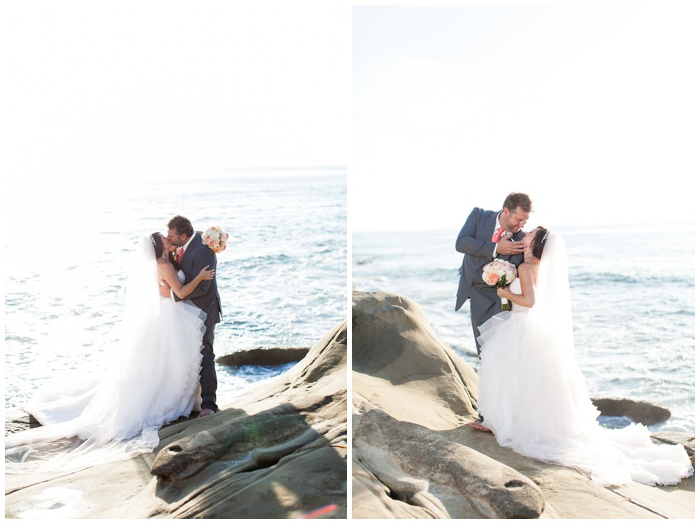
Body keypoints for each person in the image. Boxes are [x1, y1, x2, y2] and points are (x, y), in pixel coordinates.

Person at [475, 227, 694, 487]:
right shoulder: (538, 266)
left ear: (535, 244)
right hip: (533, 328)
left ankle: (506, 423)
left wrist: (504, 294)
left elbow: (529, 302)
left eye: (531, 234)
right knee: (528, 377)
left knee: (514, 374)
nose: (526, 234)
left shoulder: (524, 267)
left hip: (523, 325)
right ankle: (506, 421)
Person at [5, 233, 215, 470]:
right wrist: (200, 277)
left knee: (163, 360)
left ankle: (181, 396)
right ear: (159, 247)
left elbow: (165, 290)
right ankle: (175, 398)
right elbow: (180, 292)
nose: (169, 238)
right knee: (170, 359)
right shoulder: (164, 264)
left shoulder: (164, 261)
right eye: (165, 238)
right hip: (169, 315)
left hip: (166, 316)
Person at [455, 192, 531, 431]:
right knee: (483, 353)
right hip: (476, 295)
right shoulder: (479, 216)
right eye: (518, 219)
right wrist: (496, 248)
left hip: (501, 299)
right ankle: (488, 413)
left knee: (501, 354)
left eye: (525, 221)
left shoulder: (521, 238)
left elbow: (521, 268)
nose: (521, 225)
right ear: (505, 211)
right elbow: (462, 243)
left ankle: (498, 415)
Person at [167, 215, 222, 418]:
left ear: (183, 236)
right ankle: (191, 400)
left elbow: (203, 287)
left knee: (205, 353)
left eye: (171, 236)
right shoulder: (179, 247)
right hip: (185, 312)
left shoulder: (204, 251)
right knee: (188, 354)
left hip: (204, 310)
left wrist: (176, 294)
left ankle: (209, 404)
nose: (168, 238)